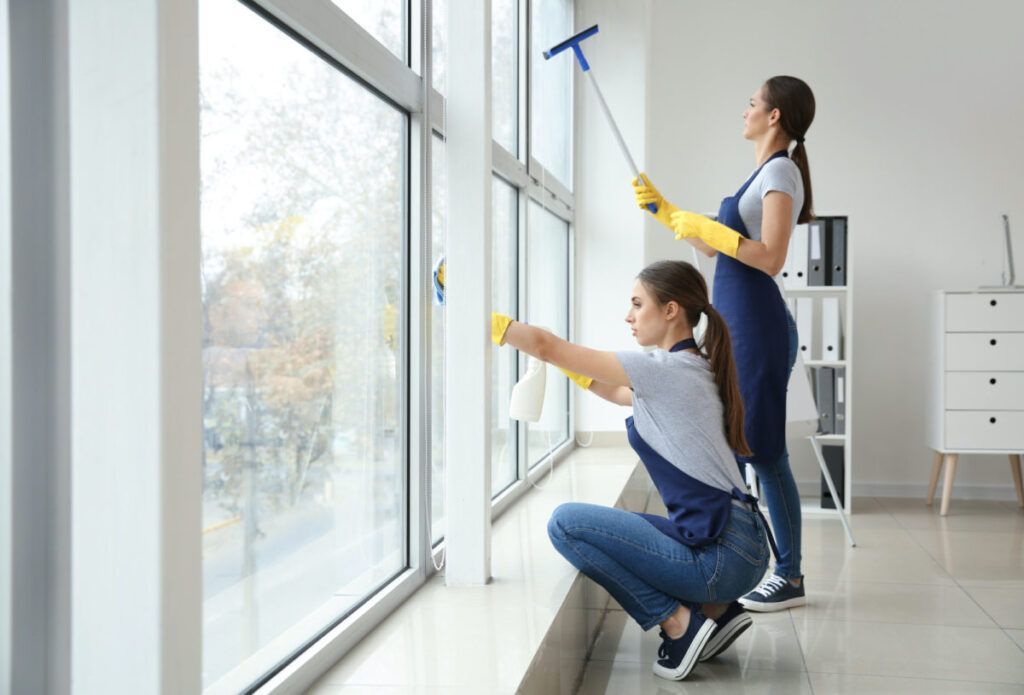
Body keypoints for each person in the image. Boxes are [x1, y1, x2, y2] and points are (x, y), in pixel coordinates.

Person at [491, 260, 772, 681]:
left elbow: (549, 346)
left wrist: (482, 315)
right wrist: (563, 364)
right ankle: (716, 612)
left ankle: (678, 622)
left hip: (724, 558)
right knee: (629, 525)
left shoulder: (663, 370)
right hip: (743, 548)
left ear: (671, 310)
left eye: (638, 304)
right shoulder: (695, 366)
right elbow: (618, 393)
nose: (629, 316)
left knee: (565, 525)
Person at [632, 75, 816, 612]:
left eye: (752, 103)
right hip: (736, 328)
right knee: (742, 441)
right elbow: (716, 252)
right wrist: (666, 213)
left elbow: (771, 256)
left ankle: (789, 575)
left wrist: (711, 230)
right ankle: (736, 557)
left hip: (758, 325)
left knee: (763, 450)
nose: (746, 110)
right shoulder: (760, 174)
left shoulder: (780, 170)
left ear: (775, 115)